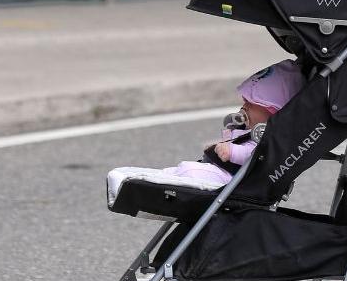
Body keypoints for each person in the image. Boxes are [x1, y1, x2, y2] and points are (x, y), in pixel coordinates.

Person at [109, 60, 304, 188]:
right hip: (222, 170)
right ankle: (158, 178)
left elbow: (257, 156)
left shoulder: (269, 138)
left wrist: (231, 152)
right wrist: (226, 138)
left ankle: (165, 180)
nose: (244, 106)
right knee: (184, 169)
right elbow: (238, 143)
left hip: (232, 179)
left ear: (273, 112)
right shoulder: (252, 130)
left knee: (190, 171)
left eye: (251, 104)